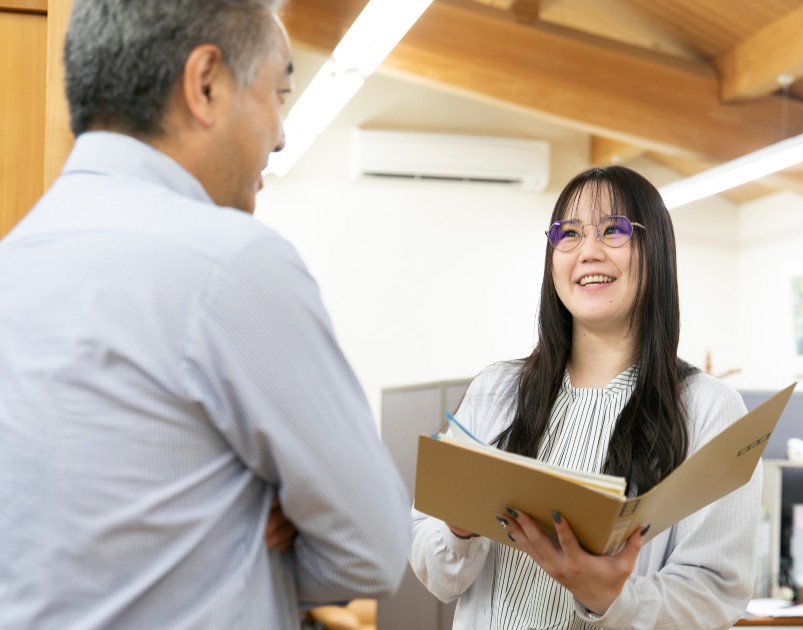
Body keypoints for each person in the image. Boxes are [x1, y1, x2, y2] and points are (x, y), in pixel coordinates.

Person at [0, 1, 410, 628]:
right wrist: (253, 528)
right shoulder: (232, 264)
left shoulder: (14, 259)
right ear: (207, 83)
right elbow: (374, 552)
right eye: (278, 93)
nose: (280, 134)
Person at [410, 165, 761, 629]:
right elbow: (438, 575)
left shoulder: (709, 409)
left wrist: (613, 597)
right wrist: (457, 527)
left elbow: (717, 593)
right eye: (569, 233)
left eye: (613, 230)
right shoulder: (497, 390)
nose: (589, 252)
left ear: (654, 249)